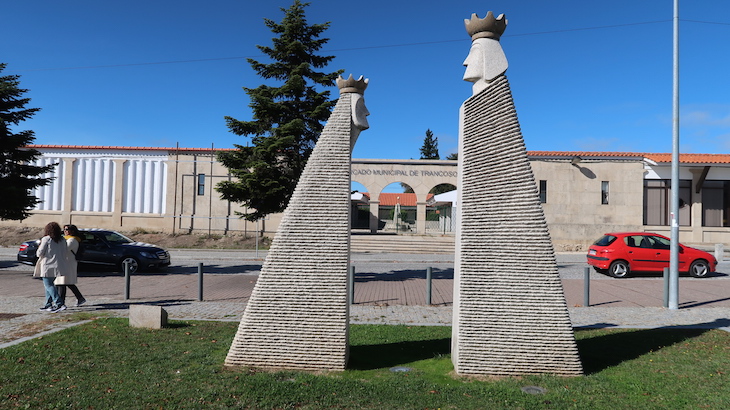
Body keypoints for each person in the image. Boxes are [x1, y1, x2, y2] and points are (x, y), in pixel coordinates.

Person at [33, 222, 68, 312]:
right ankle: (48, 304)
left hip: (48, 265)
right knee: (50, 285)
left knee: (48, 285)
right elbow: (65, 252)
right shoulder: (62, 240)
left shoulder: (46, 239)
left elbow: (39, 253)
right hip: (59, 265)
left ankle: (59, 303)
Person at [56, 224, 87, 307]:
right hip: (64, 262)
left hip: (68, 263)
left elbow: (64, 250)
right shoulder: (65, 239)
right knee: (67, 282)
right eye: (64, 229)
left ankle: (61, 302)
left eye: (67, 229)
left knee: (62, 282)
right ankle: (80, 298)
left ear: (73, 231)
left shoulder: (72, 240)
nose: (66, 231)